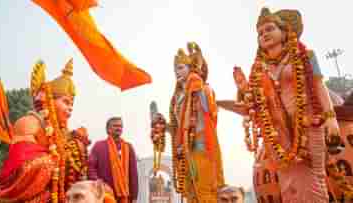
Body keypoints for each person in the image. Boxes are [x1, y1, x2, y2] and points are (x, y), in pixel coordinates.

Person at [231, 8, 340, 202]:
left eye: (269, 29)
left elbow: (319, 85)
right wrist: (243, 89)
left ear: (284, 31)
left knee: (312, 181)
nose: (264, 34)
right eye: (260, 33)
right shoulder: (259, 70)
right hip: (277, 133)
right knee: (288, 185)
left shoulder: (306, 56)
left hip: (308, 125)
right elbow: (254, 102)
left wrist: (331, 120)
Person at [0, 59, 90, 203]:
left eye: (72, 104)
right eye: (66, 102)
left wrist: (78, 150)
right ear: (49, 100)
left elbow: (74, 177)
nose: (70, 108)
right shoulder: (28, 123)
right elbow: (21, 170)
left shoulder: (65, 135)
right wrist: (60, 161)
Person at [151, 42, 225, 203]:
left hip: (201, 148)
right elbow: (177, 128)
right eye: (175, 69)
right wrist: (163, 126)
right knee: (190, 194)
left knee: (205, 192)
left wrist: (197, 85)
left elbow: (210, 111)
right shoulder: (177, 98)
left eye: (181, 67)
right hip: (184, 151)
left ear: (191, 68)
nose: (177, 72)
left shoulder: (204, 89)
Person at [88, 117, 138, 203]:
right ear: (108, 129)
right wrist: (99, 183)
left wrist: (134, 196)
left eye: (121, 126)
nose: (119, 128)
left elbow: (133, 173)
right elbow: (91, 167)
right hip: (105, 194)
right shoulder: (99, 146)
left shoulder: (128, 147)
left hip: (125, 196)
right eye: (115, 126)